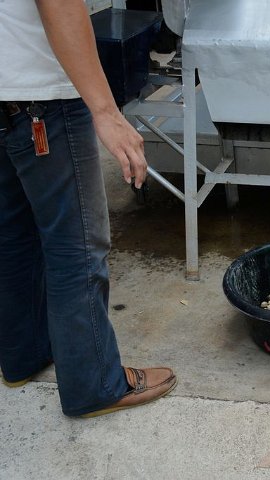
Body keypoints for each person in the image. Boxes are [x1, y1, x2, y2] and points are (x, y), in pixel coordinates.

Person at [0, 0, 176, 417]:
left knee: (14, 237)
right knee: (76, 247)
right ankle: (95, 385)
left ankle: (23, 357)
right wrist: (106, 111)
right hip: (43, 99)